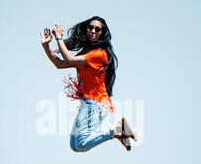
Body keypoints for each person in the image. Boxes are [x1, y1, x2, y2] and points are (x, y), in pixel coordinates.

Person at [40, 16, 137, 152]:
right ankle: (117, 133)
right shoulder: (87, 52)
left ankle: (117, 128)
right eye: (90, 27)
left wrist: (59, 38)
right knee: (75, 145)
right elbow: (60, 64)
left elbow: (69, 58)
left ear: (102, 33)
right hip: (89, 102)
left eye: (97, 29)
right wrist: (46, 46)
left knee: (81, 144)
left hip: (95, 103)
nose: (93, 30)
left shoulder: (99, 54)